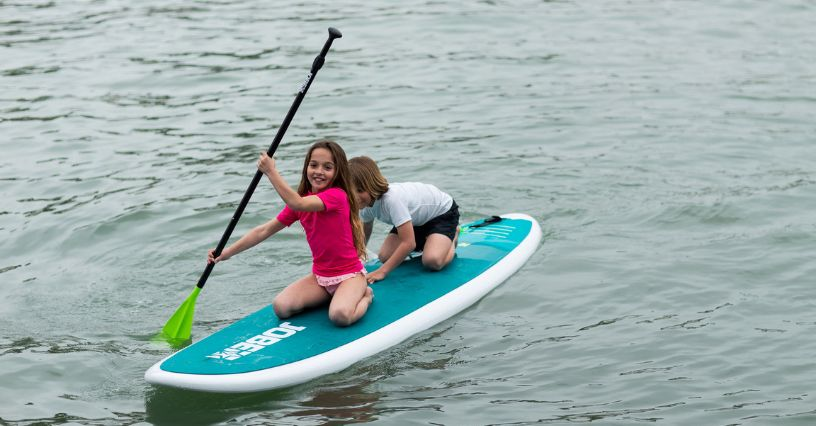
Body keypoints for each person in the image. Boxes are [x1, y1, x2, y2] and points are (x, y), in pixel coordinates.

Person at [208, 141, 372, 327]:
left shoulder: (337, 196)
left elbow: (298, 203)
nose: (319, 171)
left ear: (338, 171)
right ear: (306, 168)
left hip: (350, 276)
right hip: (320, 278)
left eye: (327, 167)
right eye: (313, 165)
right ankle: (335, 296)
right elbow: (264, 230)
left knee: (340, 316)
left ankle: (365, 296)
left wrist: (271, 172)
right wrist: (226, 253)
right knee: (281, 307)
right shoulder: (301, 202)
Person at [348, 156, 459, 283]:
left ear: (371, 185)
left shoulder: (392, 200)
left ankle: (453, 236)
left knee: (432, 261)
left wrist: (382, 271)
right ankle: (429, 240)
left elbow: (409, 243)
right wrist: (356, 258)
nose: (355, 197)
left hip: (441, 214)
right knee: (384, 257)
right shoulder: (364, 204)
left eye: (360, 190)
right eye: (351, 192)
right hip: (414, 219)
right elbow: (365, 230)